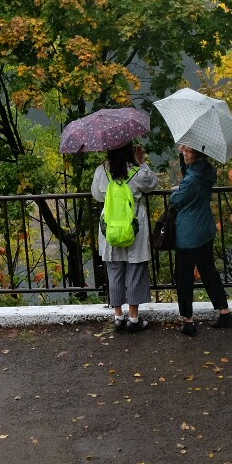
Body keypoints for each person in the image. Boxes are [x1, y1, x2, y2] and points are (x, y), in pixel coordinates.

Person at [91, 142, 161, 332]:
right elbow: (153, 184)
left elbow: (96, 195)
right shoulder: (137, 173)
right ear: (130, 151)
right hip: (134, 226)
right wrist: (141, 163)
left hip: (110, 227)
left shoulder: (101, 171)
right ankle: (134, 319)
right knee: (135, 268)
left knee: (114, 269)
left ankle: (118, 317)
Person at [170, 144, 232, 335]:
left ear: (197, 154)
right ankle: (225, 312)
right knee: (208, 271)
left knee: (183, 276)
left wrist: (175, 191)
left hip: (189, 234)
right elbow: (188, 171)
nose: (184, 153)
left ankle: (188, 321)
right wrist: (184, 158)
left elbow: (176, 200)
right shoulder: (206, 171)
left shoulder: (192, 180)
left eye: (188, 151)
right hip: (205, 229)